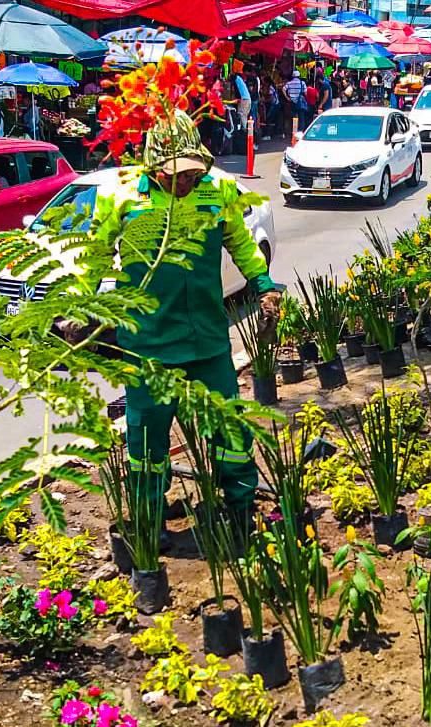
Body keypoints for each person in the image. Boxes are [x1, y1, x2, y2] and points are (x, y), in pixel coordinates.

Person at [90, 111, 281, 531]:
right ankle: (150, 522)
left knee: (230, 429)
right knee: (146, 440)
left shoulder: (218, 192)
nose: (185, 181)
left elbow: (242, 245)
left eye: (192, 172)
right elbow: (98, 257)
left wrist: (264, 286)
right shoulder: (121, 197)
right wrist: (84, 309)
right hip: (148, 345)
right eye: (175, 174)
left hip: (207, 341)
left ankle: (239, 508)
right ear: (153, 166)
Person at [283, 70, 307, 135]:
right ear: (299, 76)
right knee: (301, 117)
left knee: (293, 117)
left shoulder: (289, 83)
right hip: (300, 103)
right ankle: (300, 131)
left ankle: (293, 131)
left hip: (292, 102)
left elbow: (283, 89)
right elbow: (305, 93)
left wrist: (287, 97)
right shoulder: (303, 83)